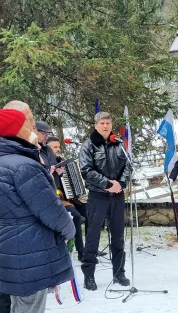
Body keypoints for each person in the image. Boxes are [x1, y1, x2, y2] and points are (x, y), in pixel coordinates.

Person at [0, 102, 75, 313]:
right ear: (17, 128)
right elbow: (49, 208)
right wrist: (69, 229)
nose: (34, 127)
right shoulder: (23, 165)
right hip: (29, 248)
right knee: (29, 307)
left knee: (19, 306)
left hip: (11, 243)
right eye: (29, 121)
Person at [79, 111, 130, 291]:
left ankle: (119, 273)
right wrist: (107, 184)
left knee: (118, 236)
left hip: (117, 196)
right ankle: (89, 275)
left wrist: (121, 183)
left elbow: (128, 166)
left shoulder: (119, 143)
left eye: (108, 122)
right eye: (102, 123)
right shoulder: (89, 145)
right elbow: (86, 171)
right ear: (96, 125)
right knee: (92, 237)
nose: (105, 126)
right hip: (98, 196)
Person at [47, 136, 86, 262]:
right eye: (55, 147)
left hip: (68, 198)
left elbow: (67, 183)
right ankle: (81, 251)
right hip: (56, 200)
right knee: (76, 216)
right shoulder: (45, 163)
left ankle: (90, 248)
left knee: (91, 212)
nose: (58, 149)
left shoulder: (60, 162)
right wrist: (53, 172)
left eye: (59, 147)